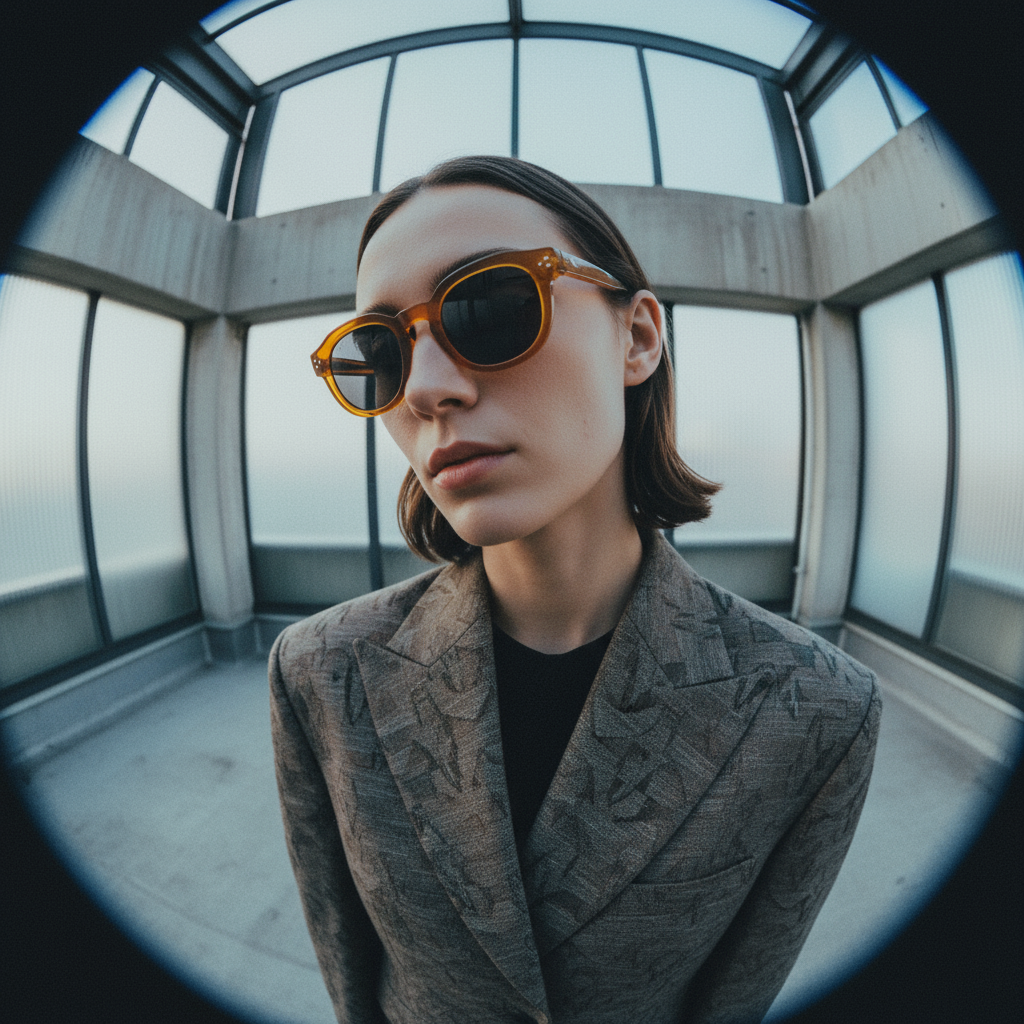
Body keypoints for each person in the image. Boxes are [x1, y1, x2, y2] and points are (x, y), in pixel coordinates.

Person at [269, 155, 881, 1024]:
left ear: (636, 339)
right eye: (382, 353)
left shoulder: (821, 708)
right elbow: (350, 976)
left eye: (490, 306)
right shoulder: (319, 671)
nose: (432, 389)